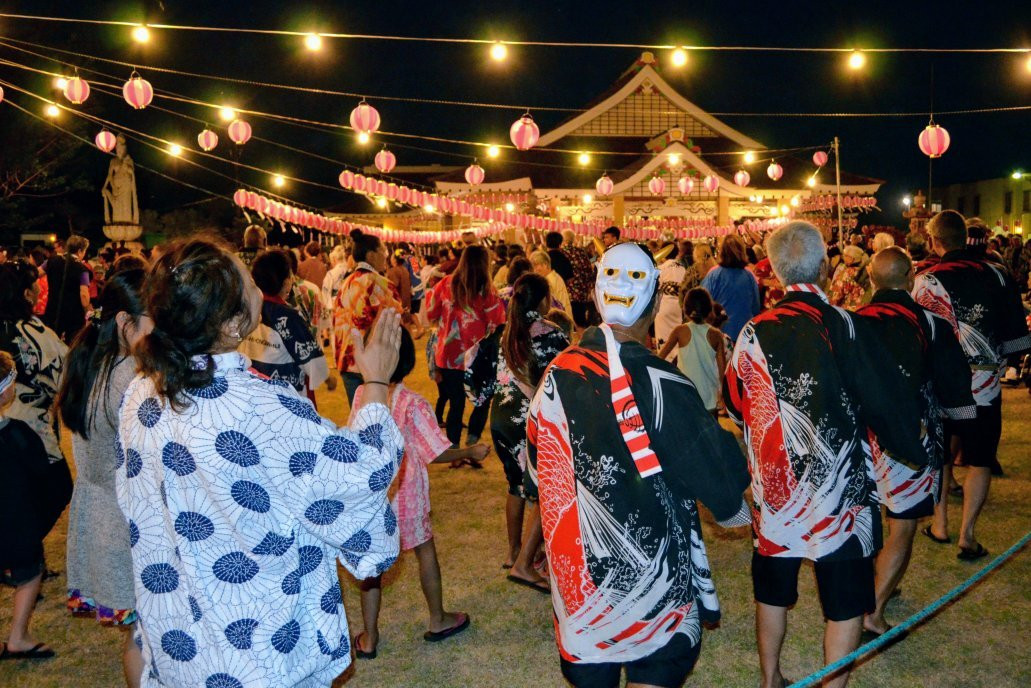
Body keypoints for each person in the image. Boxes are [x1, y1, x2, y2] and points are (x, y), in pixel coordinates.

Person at [117, 237, 404, 687]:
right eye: (247, 279)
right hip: (259, 645)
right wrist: (377, 381)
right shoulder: (259, 409)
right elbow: (362, 474)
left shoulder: (141, 392)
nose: (256, 284)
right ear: (233, 325)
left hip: (182, 635)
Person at [526, 241, 750, 688]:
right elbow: (720, 480)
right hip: (655, 584)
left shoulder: (557, 372)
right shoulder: (663, 382)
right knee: (656, 667)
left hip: (582, 586)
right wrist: (734, 509)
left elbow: (536, 468)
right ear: (653, 305)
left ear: (593, 298)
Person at [724, 221, 916, 688]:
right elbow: (883, 399)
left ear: (774, 271)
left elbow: (734, 402)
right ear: (826, 268)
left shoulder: (754, 331)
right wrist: (912, 448)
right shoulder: (848, 325)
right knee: (846, 601)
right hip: (842, 494)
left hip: (777, 491)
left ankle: (771, 678)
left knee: (772, 591)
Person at [855, 247, 975, 638]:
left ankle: (869, 591)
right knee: (902, 524)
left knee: (865, 519)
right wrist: (962, 424)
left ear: (871, 279)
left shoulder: (850, 323)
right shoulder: (931, 322)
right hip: (911, 437)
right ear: (909, 279)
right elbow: (955, 383)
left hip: (859, 438)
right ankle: (873, 609)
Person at [349, 329, 485, 658]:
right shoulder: (413, 404)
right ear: (408, 361)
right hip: (407, 497)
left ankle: (370, 636)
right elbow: (436, 452)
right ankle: (437, 618)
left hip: (373, 498)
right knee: (425, 551)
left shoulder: (361, 395)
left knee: (372, 569)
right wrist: (470, 451)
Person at [913, 211, 1030, 559]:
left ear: (935, 241)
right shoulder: (997, 274)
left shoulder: (926, 279)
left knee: (940, 452)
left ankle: (940, 524)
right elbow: (1015, 333)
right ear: (965, 238)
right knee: (979, 458)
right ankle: (968, 534)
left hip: (942, 383)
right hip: (985, 383)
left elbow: (918, 336)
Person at [55, 269, 152, 686]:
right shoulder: (129, 375)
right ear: (124, 322)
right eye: (152, 318)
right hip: (126, 519)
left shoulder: (88, 360)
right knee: (146, 634)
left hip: (98, 511)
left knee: (139, 632)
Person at [466, 275, 570, 594]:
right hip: (532, 417)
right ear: (543, 301)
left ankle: (514, 552)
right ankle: (524, 564)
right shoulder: (552, 334)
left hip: (501, 415)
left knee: (516, 484)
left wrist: (484, 399)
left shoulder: (502, 334)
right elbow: (566, 377)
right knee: (547, 487)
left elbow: (473, 379)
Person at [0, 351, 66, 661]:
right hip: (16, 523)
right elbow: (42, 470)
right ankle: (18, 637)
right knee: (29, 574)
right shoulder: (17, 434)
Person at [426, 245, 505, 447]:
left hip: (448, 355)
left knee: (456, 403)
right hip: (476, 357)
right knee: (484, 397)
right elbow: (497, 324)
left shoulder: (444, 284)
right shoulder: (487, 292)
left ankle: (453, 447)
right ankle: (473, 436)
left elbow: (431, 313)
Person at [241, 250, 329, 398]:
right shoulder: (288, 316)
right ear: (286, 282)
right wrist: (327, 378)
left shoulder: (245, 310)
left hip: (250, 393)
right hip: (283, 398)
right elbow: (314, 364)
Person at [333, 231, 402, 405]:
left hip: (347, 361)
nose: (386, 256)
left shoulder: (345, 284)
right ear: (371, 255)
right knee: (378, 419)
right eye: (384, 251)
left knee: (358, 419)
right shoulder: (382, 284)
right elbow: (396, 323)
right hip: (373, 364)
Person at [658, 287, 726, 417]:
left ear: (685, 309)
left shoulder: (679, 331)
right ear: (708, 309)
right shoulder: (716, 335)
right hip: (710, 397)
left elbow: (660, 358)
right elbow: (722, 370)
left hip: (685, 395)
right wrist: (722, 394)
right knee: (710, 434)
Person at [701, 235, 760, 340]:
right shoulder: (749, 275)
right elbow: (755, 307)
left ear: (722, 251)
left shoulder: (713, 275)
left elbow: (703, 305)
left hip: (720, 333)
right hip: (745, 334)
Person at [42, 234, 92, 342]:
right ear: (80, 251)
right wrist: (88, 309)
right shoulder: (83, 269)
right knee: (72, 344)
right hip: (73, 316)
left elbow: (36, 273)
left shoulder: (51, 261)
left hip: (53, 311)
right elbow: (84, 296)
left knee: (51, 342)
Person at [654, 243, 687, 358]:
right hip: (678, 306)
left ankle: (664, 365)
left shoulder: (660, 268)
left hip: (663, 305)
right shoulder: (683, 268)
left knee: (663, 340)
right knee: (677, 338)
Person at [562, 230, 598, 328]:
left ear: (563, 240)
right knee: (581, 316)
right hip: (582, 289)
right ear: (573, 239)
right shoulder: (580, 251)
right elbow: (588, 269)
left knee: (571, 317)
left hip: (568, 290)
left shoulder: (562, 252)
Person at [827, 245, 870, 310]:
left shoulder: (846, 273)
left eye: (845, 255)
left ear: (852, 259)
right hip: (861, 309)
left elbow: (835, 294)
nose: (843, 257)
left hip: (847, 310)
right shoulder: (865, 272)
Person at [529, 250, 573, 315]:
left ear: (545, 265)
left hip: (560, 319)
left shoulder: (548, 282)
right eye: (533, 267)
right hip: (565, 317)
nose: (534, 270)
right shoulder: (556, 276)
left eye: (536, 265)